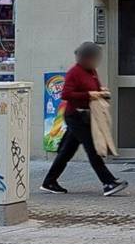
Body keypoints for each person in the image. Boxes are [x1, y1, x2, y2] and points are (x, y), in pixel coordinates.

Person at [42, 42, 128, 196]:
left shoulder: (91, 71)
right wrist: (88, 95)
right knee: (92, 148)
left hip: (86, 116)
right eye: (93, 58)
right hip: (75, 116)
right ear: (85, 58)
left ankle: (49, 182)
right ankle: (108, 182)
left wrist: (101, 92)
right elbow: (66, 94)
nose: (96, 61)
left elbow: (95, 87)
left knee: (67, 151)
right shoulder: (74, 73)